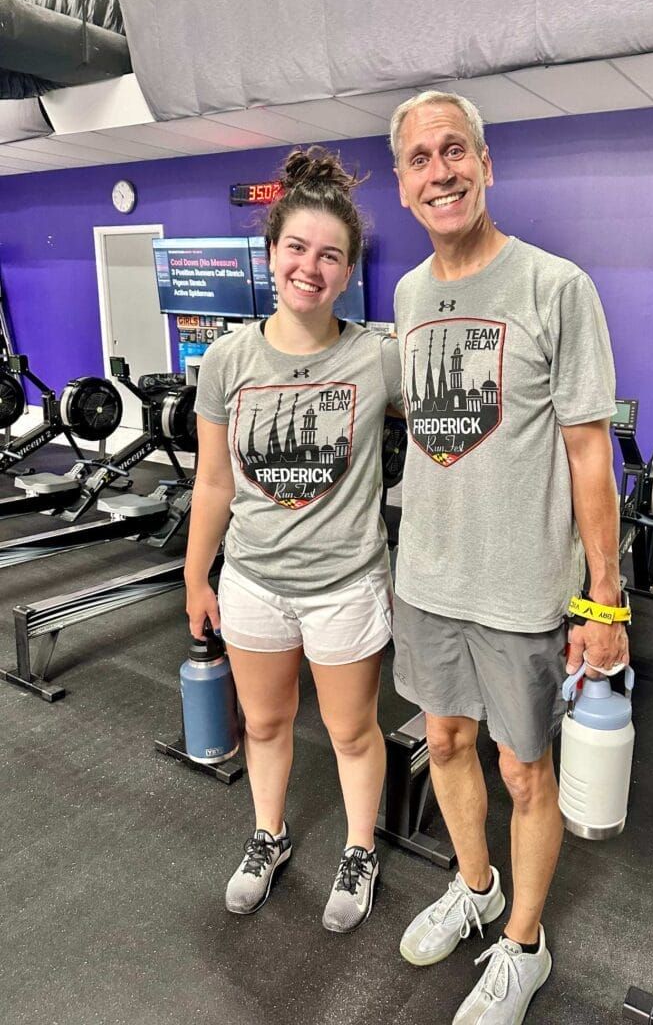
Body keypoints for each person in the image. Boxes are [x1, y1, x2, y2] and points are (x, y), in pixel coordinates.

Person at [388, 92, 629, 1023]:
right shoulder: (409, 295)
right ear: (405, 183)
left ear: (487, 166)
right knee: (443, 742)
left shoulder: (555, 287)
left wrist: (603, 605)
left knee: (525, 770)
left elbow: (587, 455)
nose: (440, 170)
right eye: (420, 158)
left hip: (523, 592)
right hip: (429, 582)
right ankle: (477, 887)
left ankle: (524, 942)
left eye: (456, 152)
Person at [185, 147, 402, 933]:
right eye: (298, 249)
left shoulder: (378, 358)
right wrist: (194, 574)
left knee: (350, 730)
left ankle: (357, 849)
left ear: (347, 273)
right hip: (252, 581)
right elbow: (213, 481)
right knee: (266, 725)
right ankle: (268, 836)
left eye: (330, 256)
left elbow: (459, 435)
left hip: (345, 584)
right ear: (273, 254)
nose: (311, 267)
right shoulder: (227, 360)